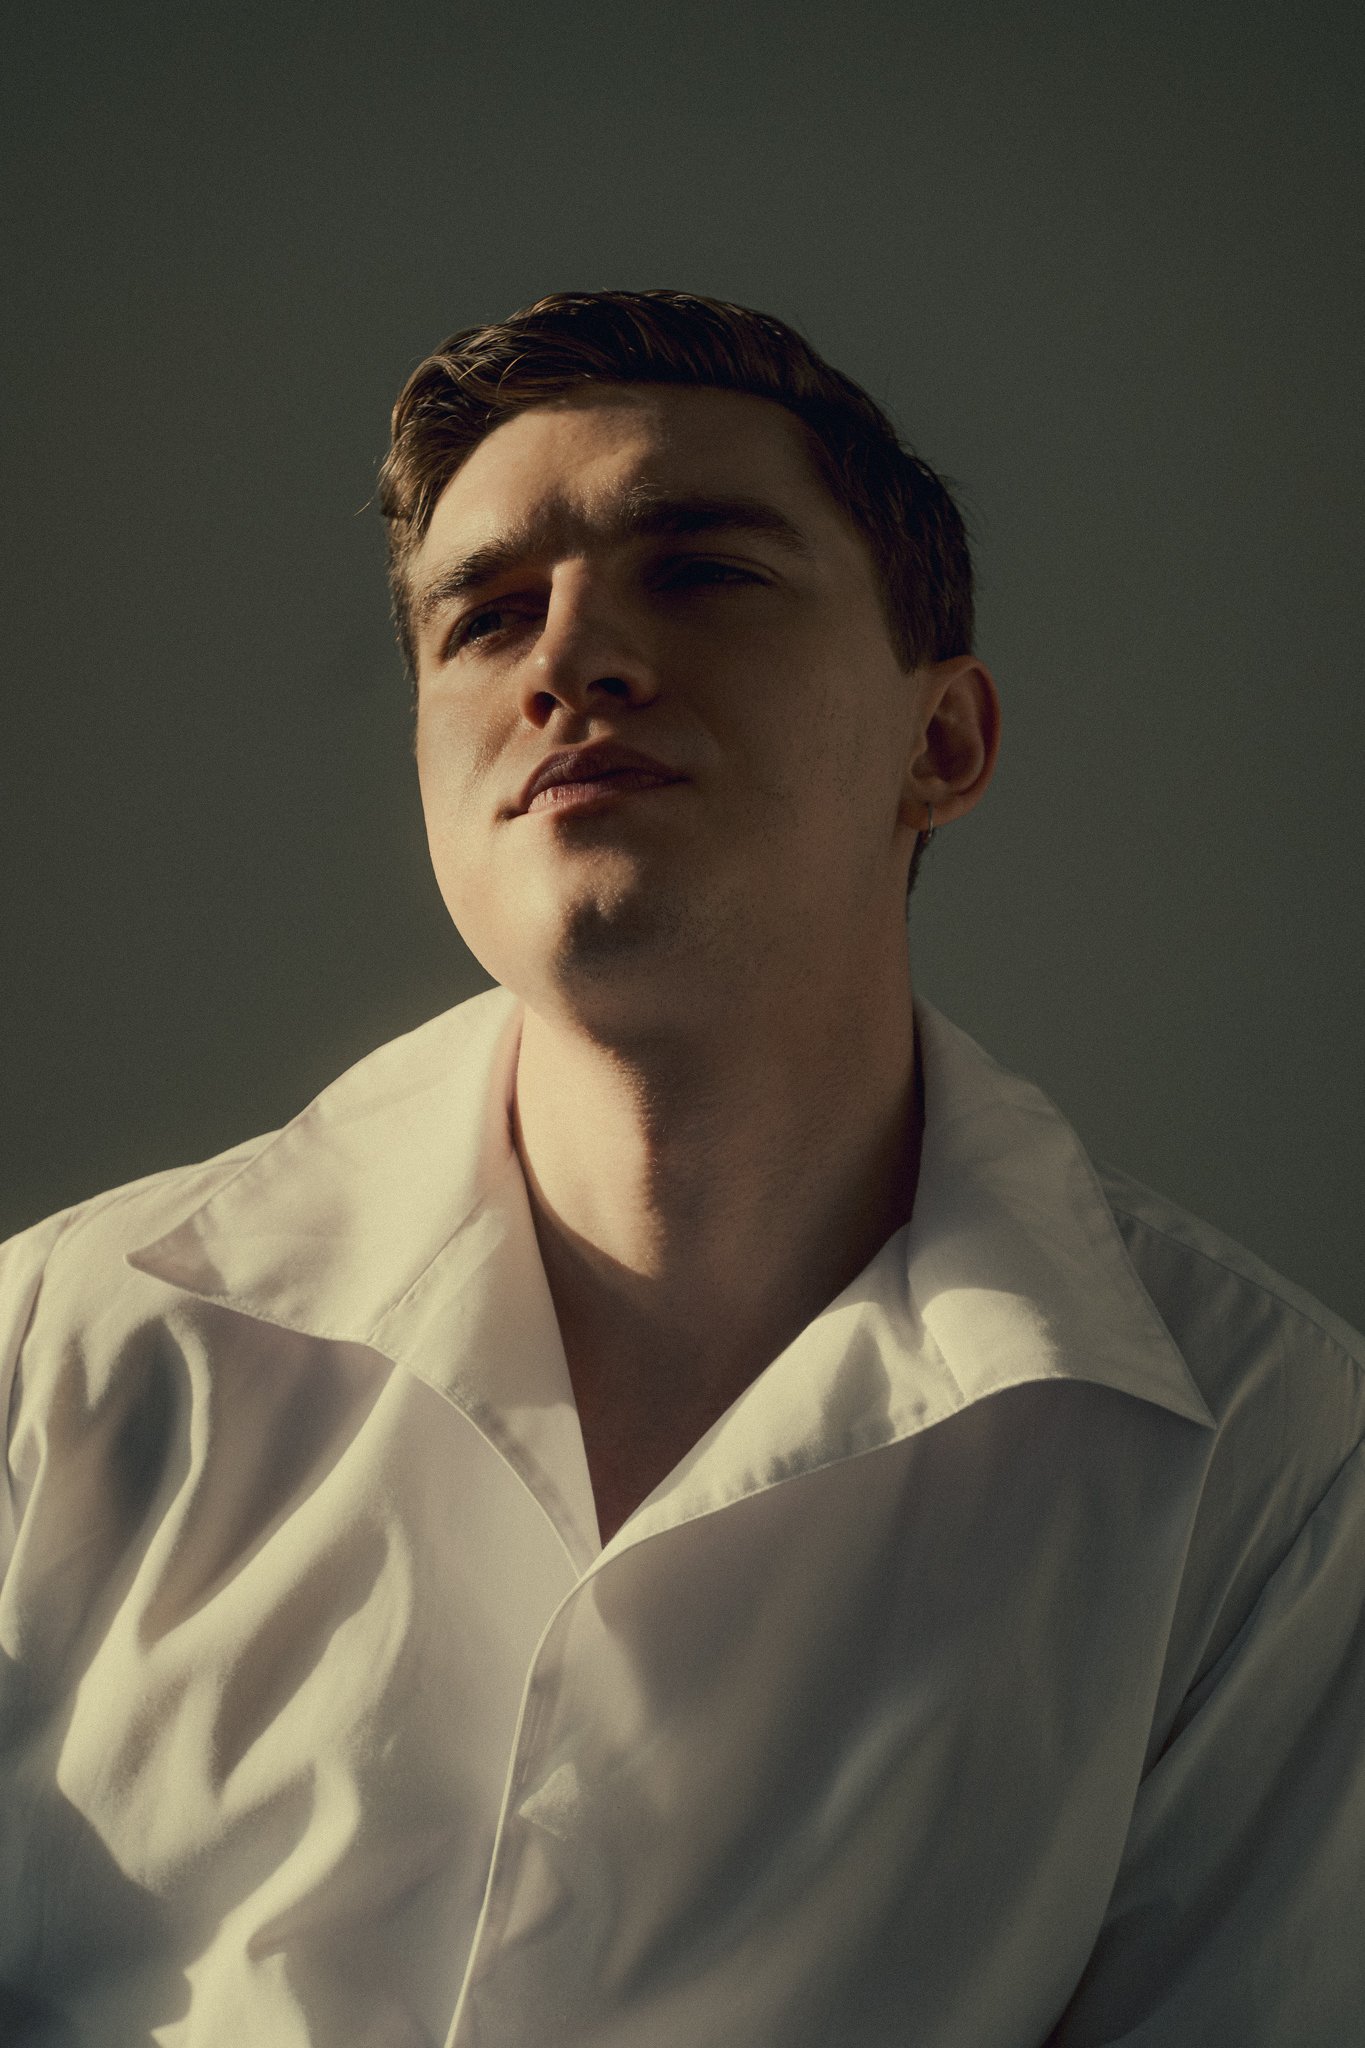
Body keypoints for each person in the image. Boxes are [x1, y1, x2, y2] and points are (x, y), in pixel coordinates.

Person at [0, 290, 1361, 2047]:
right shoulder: (50, 1360)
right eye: (485, 618)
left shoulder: (1264, 1469)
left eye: (703, 571)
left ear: (938, 744)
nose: (566, 662)